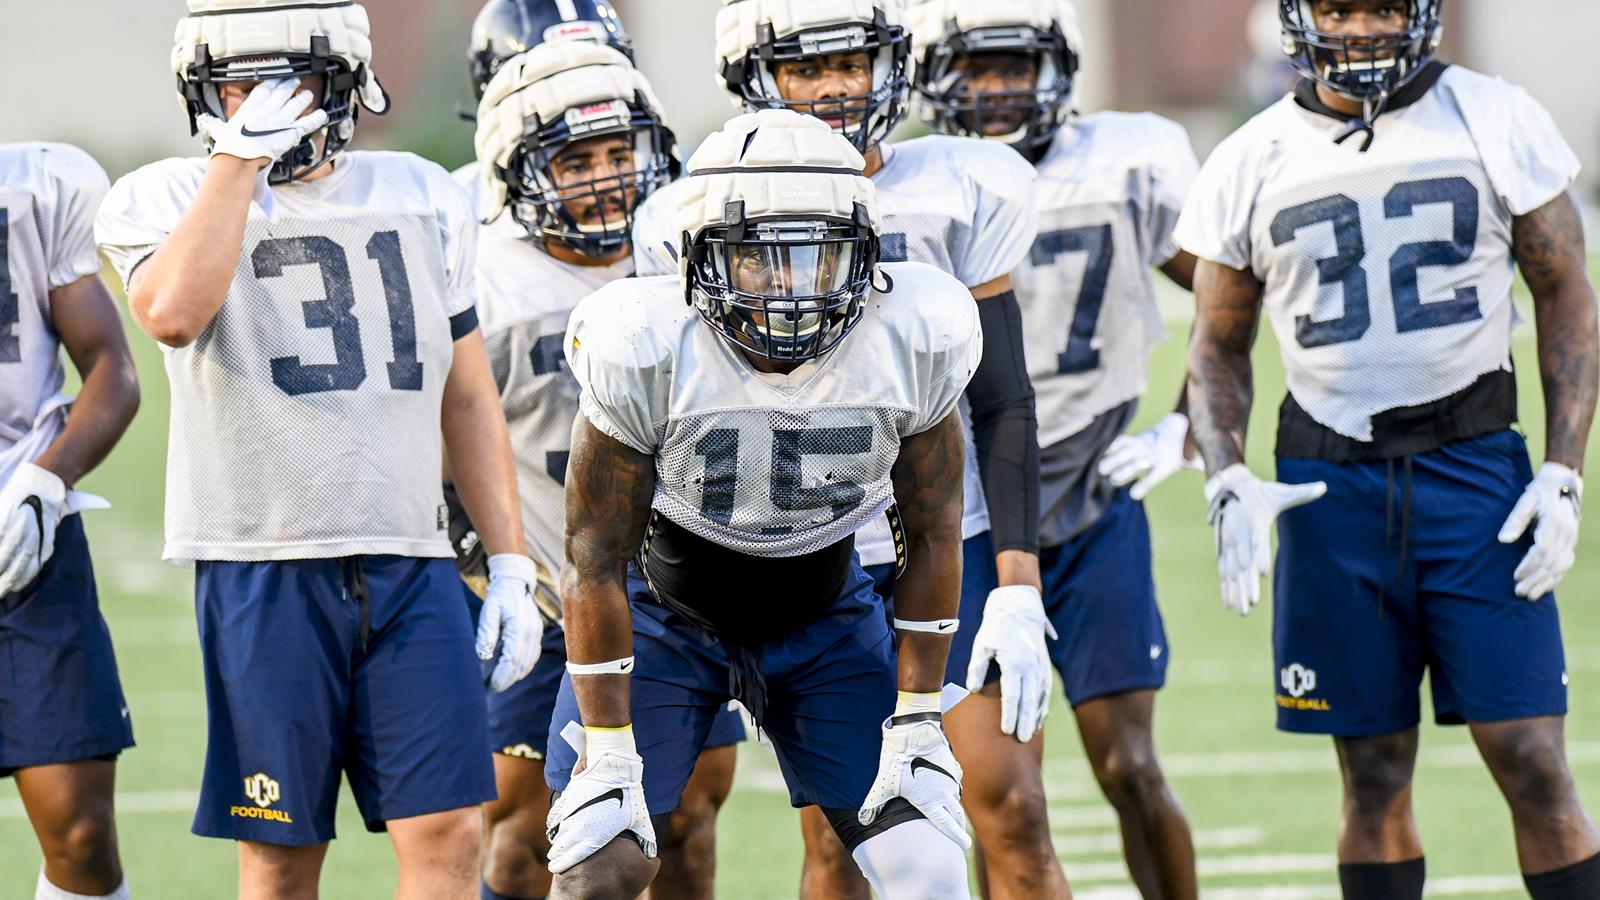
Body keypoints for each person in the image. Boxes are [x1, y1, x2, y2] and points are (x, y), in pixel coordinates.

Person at [96, 1, 542, 896]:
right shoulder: (163, 196)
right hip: (262, 562)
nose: (265, 99)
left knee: (453, 830)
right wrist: (238, 163)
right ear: (201, 90)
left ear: (344, 81)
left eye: (291, 78)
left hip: (414, 561)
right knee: (280, 855)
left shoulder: (422, 192)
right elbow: (173, 315)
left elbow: (466, 393)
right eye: (238, 82)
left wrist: (512, 564)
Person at [1179, 2, 1600, 898]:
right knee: (1371, 771)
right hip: (1329, 485)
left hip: (1476, 464)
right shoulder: (1250, 158)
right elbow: (1216, 343)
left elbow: (1566, 292)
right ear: (1298, 16)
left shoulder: (1492, 115)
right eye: (1340, 7)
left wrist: (1563, 467)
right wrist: (1225, 478)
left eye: (1382, 5)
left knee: (1530, 755)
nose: (1363, 27)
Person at [634, 3, 1045, 892]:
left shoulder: (957, 189)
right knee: (836, 835)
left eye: (853, 64)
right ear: (753, 79)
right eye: (806, 69)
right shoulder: (693, 213)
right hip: (801, 553)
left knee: (1005, 799)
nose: (833, 88)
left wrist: (1017, 586)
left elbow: (1004, 399)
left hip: (943, 534)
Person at [546, 108, 979, 900]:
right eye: (757, 257)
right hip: (666, 620)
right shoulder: (646, 342)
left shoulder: (913, 336)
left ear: (866, 255)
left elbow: (935, 536)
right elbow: (593, 558)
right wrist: (609, 750)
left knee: (931, 874)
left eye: (819, 258)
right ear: (699, 258)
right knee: (594, 875)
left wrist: (917, 717)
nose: (790, 289)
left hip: (826, 620)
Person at [907, 0, 1201, 896]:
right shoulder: (918, 184)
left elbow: (1233, 290)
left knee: (1128, 766)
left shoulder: (1124, 162)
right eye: (975, 68)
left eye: (1015, 67)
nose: (995, 90)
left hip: (1094, 495)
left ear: (1059, 71)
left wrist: (1192, 422)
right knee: (1006, 795)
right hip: (968, 518)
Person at [463, 40, 743, 900]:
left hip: (675, 594)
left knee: (686, 818)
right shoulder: (482, 275)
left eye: (621, 153)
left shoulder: (685, 253)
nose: (605, 178)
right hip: (540, 594)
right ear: (518, 171)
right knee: (521, 833)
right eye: (575, 159)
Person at [1, 142, 141, 900]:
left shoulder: (35, 187)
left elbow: (112, 370)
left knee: (82, 838)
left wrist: (45, 483)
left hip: (21, 538)